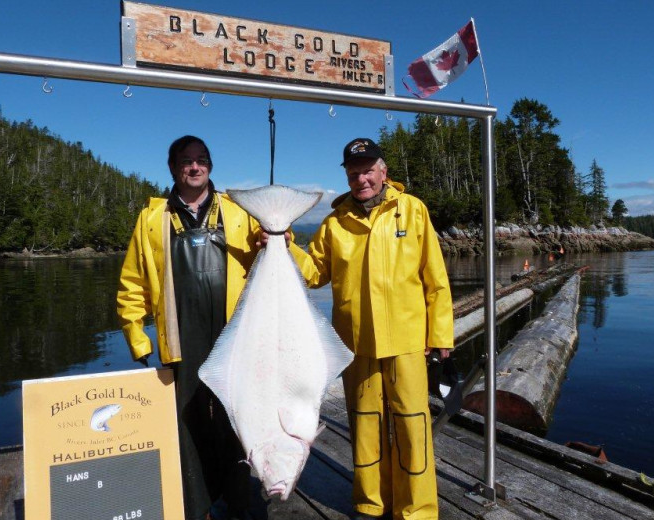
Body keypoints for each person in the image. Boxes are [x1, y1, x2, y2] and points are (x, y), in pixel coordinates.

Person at [289, 137, 454, 520]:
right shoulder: (334, 223)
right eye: (353, 172)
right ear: (346, 176)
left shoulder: (412, 211)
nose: (361, 178)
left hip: (408, 341)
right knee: (364, 428)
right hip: (355, 344)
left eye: (367, 170)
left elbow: (436, 278)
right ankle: (370, 504)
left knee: (413, 427)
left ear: (383, 171)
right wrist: (283, 244)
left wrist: (441, 336)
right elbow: (314, 274)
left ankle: (417, 510)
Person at [117, 135, 259, 520]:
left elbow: (269, 253)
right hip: (180, 338)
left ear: (210, 166)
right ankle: (197, 507)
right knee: (186, 426)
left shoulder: (239, 211)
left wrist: (276, 238)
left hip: (234, 337)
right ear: (173, 168)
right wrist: (136, 336)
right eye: (186, 160)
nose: (195, 167)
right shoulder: (152, 218)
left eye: (202, 160)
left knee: (238, 422)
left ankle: (242, 503)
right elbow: (133, 284)